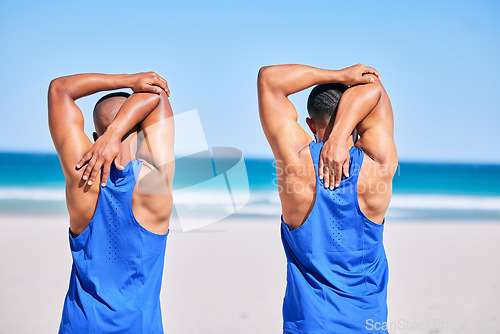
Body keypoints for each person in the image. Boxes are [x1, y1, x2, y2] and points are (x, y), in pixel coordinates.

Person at [257, 64, 398, 333]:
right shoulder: (377, 164)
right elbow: (375, 90)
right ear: (358, 119)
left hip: (310, 325)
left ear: (310, 124)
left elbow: (269, 79)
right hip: (367, 323)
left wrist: (338, 75)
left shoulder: (295, 161)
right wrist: (342, 134)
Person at [48, 71, 174, 333]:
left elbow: (59, 89)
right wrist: (117, 132)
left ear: (96, 138)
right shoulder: (155, 183)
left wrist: (128, 81)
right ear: (141, 133)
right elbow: (158, 94)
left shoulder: (82, 175)